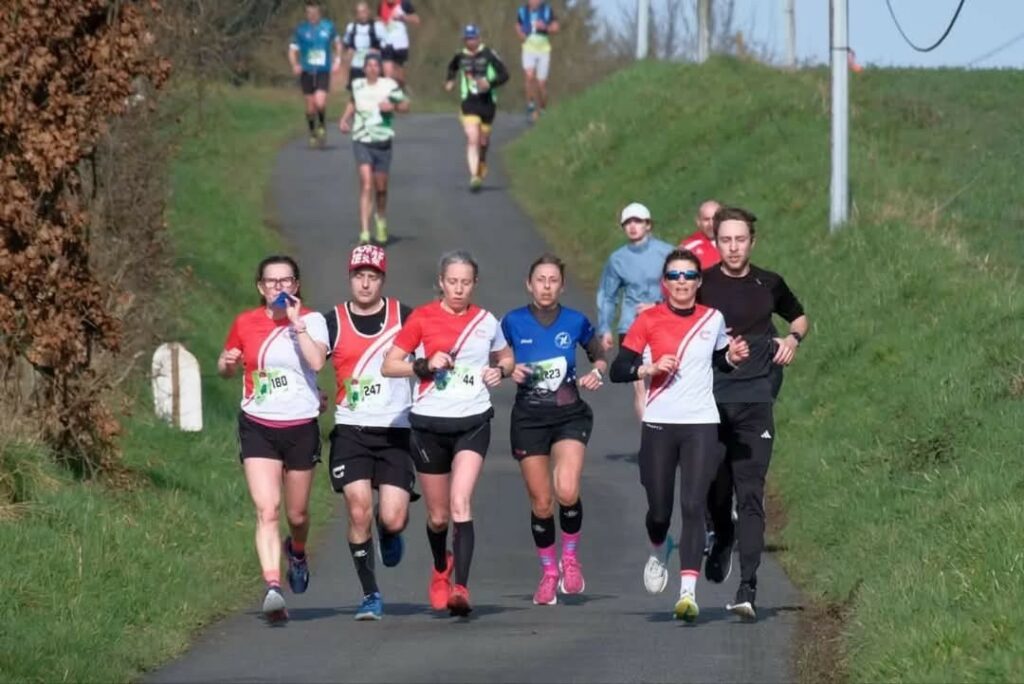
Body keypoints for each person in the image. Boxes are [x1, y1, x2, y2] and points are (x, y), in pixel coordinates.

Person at [609, 249, 749, 622]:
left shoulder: (713, 318)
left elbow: (718, 359)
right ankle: (659, 548)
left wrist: (732, 357)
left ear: (699, 282)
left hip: (701, 422)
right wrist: (648, 368)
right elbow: (618, 369)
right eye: (675, 276)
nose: (682, 282)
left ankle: (687, 593)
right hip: (659, 423)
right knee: (659, 510)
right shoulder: (649, 320)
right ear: (665, 282)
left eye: (689, 275)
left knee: (692, 506)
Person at [381, 251, 514, 617]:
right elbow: (389, 365)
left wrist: (500, 370)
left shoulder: (487, 321)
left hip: (472, 421)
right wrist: (424, 364)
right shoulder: (421, 318)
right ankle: (442, 566)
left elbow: (507, 357)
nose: (459, 289)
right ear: (441, 281)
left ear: (475, 284)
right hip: (428, 425)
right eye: (452, 281)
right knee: (438, 516)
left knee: (461, 504)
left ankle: (462, 588)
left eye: (466, 282)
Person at [696, 206, 809, 621]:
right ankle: (720, 535)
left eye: (740, 239)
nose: (733, 247)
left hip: (757, 398)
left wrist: (793, 339)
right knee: (714, 484)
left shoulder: (769, 283)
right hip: (708, 402)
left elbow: (798, 316)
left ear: (752, 241)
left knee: (751, 493)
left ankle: (748, 587)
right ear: (715, 241)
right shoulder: (702, 285)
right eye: (725, 239)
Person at [217, 256, 329, 622]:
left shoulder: (312, 321)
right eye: (271, 282)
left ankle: (296, 550)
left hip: (300, 427)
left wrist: (296, 324)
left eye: (286, 281)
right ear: (260, 288)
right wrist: (228, 363)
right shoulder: (245, 323)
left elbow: (316, 363)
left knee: (296, 515)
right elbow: (226, 366)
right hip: (258, 426)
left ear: (296, 285)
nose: (279, 288)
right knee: (267, 510)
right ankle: (272, 587)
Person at [501, 254, 606, 606]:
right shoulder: (512, 321)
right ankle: (549, 573)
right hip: (529, 419)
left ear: (561, 285)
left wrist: (597, 371)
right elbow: (494, 359)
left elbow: (599, 354)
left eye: (553, 280)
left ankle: (571, 559)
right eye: (540, 280)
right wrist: (507, 368)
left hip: (569, 415)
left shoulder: (575, 321)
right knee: (542, 502)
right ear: (529, 284)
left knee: (567, 489)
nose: (547, 286)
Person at [322, 245, 417, 621]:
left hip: (395, 430)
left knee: (392, 517)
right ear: (350, 278)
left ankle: (389, 532)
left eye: (372, 276)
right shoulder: (334, 321)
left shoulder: (404, 318)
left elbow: (433, 355)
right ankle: (370, 594)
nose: (365, 283)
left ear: (382, 280)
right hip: (352, 430)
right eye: (359, 276)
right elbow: (305, 361)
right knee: (358, 509)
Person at [596, 202, 675, 420]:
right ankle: (649, 439)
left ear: (648, 225)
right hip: (631, 326)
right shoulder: (617, 259)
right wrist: (605, 328)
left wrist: (658, 306)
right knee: (640, 385)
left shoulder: (667, 253)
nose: (632, 227)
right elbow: (608, 295)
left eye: (637, 221)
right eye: (627, 223)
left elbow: (681, 288)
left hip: (663, 323)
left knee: (665, 381)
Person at [339, 53, 410, 246]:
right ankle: (364, 231)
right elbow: (353, 102)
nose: (371, 68)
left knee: (381, 189)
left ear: (380, 69)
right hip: (362, 139)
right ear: (364, 68)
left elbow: (405, 105)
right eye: (368, 65)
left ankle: (380, 219)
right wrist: (345, 118)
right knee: (366, 184)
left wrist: (393, 107)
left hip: (383, 141)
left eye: (375, 65)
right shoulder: (357, 85)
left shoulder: (388, 85)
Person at [444, 25, 510, 192]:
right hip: (469, 102)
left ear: (479, 38)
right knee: (472, 138)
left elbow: (505, 75)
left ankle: (482, 162)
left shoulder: (489, 54)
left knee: (483, 140)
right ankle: (474, 176)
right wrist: (450, 80)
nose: (470, 41)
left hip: (488, 103)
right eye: (467, 38)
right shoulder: (460, 56)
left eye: (473, 38)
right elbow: (452, 67)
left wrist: (490, 83)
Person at [289, 2, 343, 148]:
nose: (312, 16)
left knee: (320, 102)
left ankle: (322, 125)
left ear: (319, 13)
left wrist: (337, 60)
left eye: (315, 13)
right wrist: (295, 64)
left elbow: (338, 43)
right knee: (310, 106)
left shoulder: (328, 26)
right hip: (306, 71)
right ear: (306, 14)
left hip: (322, 71)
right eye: (309, 13)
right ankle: (312, 132)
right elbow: (293, 50)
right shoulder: (301, 30)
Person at [516, 0, 560, 124]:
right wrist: (520, 34)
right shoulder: (522, 11)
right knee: (529, 77)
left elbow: (556, 27)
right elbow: (518, 26)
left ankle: (542, 109)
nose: (534, 2)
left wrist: (545, 27)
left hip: (543, 51)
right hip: (528, 49)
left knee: (541, 84)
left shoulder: (547, 11)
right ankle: (530, 106)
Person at [342, 2, 388, 91]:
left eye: (364, 11)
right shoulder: (351, 28)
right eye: (359, 12)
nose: (362, 15)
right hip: (356, 67)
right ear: (356, 14)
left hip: (373, 68)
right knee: (356, 95)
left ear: (369, 12)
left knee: (374, 93)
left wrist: (378, 51)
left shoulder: (377, 26)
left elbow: (386, 44)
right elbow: (346, 44)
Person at [377, 0, 419, 86]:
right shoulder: (382, 4)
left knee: (399, 78)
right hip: (386, 43)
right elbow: (378, 19)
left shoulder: (404, 3)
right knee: (387, 76)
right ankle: (388, 95)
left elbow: (416, 20)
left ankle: (401, 92)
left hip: (401, 44)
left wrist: (402, 17)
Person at [679, 200, 721, 270]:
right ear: (698, 222)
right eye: (706, 219)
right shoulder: (688, 249)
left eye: (715, 219)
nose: (711, 224)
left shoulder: (737, 241)